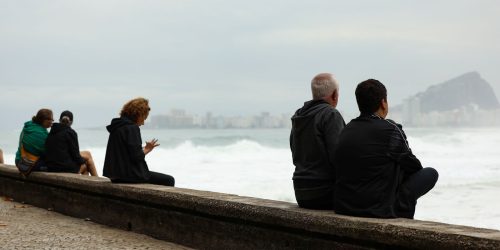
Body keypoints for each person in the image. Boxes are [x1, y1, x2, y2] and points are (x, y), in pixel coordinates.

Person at [334, 79, 439, 219]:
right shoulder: (390, 130)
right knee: (430, 173)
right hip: (378, 208)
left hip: (345, 206)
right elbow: (414, 167)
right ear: (383, 103)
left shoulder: (346, 130)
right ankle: (401, 211)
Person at [290, 73, 346, 209]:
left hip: (300, 192)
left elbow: (294, 152)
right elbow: (339, 157)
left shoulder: (299, 116)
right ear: (334, 95)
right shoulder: (331, 114)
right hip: (325, 192)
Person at [103, 97, 175, 186]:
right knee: (169, 180)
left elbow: (126, 152)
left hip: (115, 175)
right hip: (129, 175)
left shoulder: (117, 126)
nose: (143, 123)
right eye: (144, 118)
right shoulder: (132, 128)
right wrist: (147, 149)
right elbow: (136, 156)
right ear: (138, 114)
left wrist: (143, 148)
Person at [44, 110, 98, 176]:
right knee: (86, 165)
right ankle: (98, 181)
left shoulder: (52, 132)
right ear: (71, 122)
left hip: (51, 167)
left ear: (59, 120)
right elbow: (76, 156)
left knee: (87, 154)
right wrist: (84, 162)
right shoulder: (70, 133)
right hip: (63, 168)